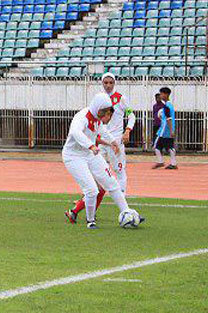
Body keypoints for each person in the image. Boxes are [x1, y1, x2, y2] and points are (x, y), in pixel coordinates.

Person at [65, 73, 136, 222]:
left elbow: (105, 129)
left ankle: (126, 212)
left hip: (99, 148)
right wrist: (91, 146)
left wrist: (114, 141)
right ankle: (87, 217)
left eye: (111, 82)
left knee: (113, 179)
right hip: (79, 155)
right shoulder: (84, 116)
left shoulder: (120, 99)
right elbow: (76, 132)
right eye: (106, 82)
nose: (108, 85)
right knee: (94, 189)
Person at [153, 87, 178, 170]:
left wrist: (171, 130)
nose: (160, 95)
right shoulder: (169, 105)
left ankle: (164, 162)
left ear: (166, 94)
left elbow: (168, 119)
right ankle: (170, 163)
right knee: (168, 146)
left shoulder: (167, 106)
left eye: (161, 94)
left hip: (164, 130)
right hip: (166, 129)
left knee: (157, 145)